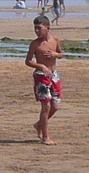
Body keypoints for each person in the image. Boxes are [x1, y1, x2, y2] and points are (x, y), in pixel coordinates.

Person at [25, 14, 63, 145]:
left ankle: (39, 124)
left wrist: (55, 54)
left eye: (39, 28)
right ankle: (45, 137)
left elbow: (61, 54)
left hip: (53, 75)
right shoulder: (35, 44)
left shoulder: (55, 39)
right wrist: (41, 66)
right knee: (45, 106)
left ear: (47, 28)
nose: (37, 31)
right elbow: (28, 61)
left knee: (55, 106)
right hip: (41, 76)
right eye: (35, 28)